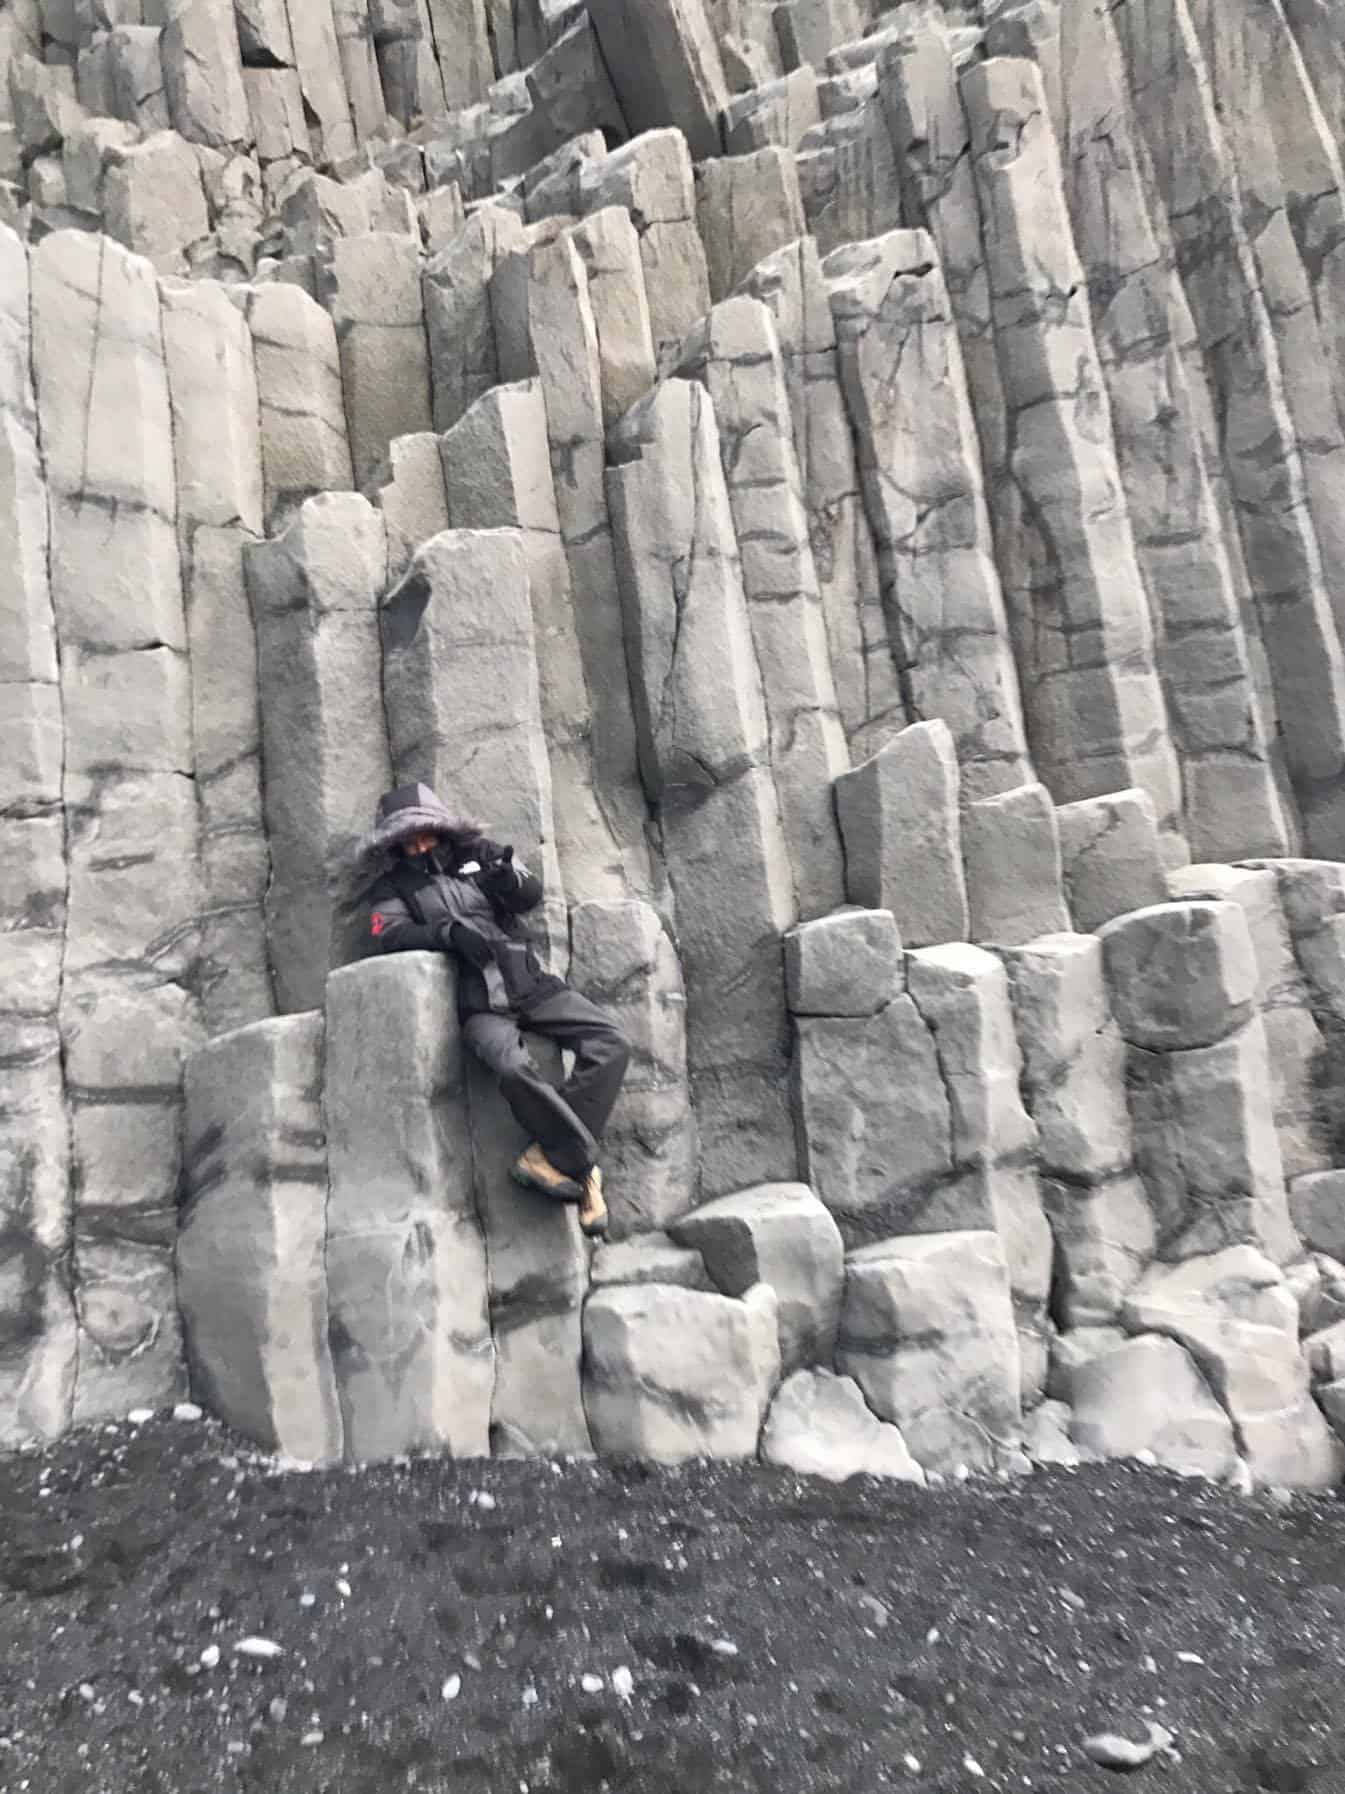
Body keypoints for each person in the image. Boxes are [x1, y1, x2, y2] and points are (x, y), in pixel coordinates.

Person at [359, 783, 628, 1238]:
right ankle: (584, 1170)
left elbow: (529, 894)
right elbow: (390, 934)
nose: (418, 844)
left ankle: (551, 1157)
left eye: (425, 832)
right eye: (407, 838)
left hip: (527, 980)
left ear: (441, 827)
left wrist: (506, 878)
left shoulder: (480, 852)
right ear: (394, 842)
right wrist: (445, 933)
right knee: (511, 1066)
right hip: (475, 997)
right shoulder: (392, 886)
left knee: (611, 1043)